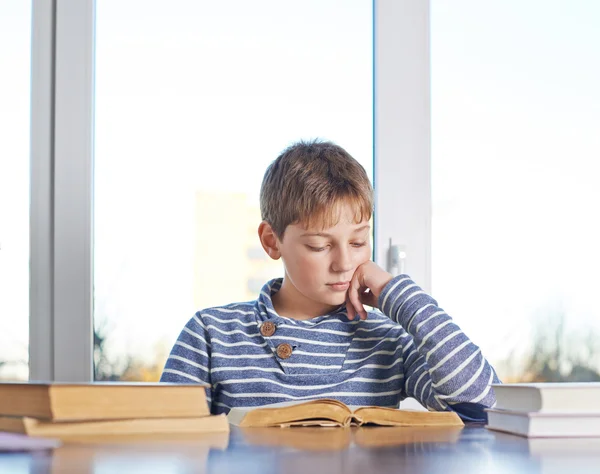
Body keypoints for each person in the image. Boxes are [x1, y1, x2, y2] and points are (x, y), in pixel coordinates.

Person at [161, 140, 500, 421]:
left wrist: (400, 296)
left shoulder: (387, 341)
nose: (344, 263)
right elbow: (162, 443)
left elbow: (485, 406)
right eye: (319, 245)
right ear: (271, 241)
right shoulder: (211, 334)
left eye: (357, 242)